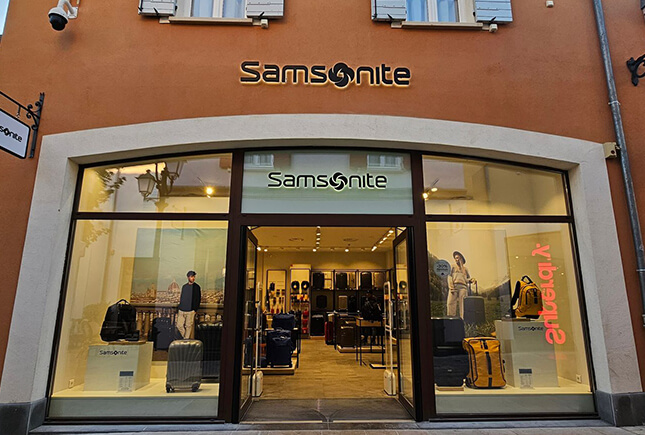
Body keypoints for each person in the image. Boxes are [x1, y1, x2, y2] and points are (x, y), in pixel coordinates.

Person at [446, 251, 475, 318]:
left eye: (458, 258)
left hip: (463, 287)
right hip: (454, 286)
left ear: (461, 259)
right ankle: (451, 319)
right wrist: (451, 287)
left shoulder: (465, 269)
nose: (457, 259)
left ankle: (463, 319)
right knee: (450, 303)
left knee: (463, 304)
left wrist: (471, 280)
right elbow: (449, 277)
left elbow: (466, 279)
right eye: (456, 258)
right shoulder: (452, 267)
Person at [177, 270, 201, 339]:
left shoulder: (197, 287)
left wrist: (195, 309)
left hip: (190, 310)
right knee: (179, 325)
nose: (193, 278)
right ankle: (186, 339)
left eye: (194, 276)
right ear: (188, 277)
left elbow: (198, 299)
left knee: (188, 326)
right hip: (182, 310)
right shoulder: (184, 287)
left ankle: (186, 340)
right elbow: (182, 297)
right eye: (191, 276)